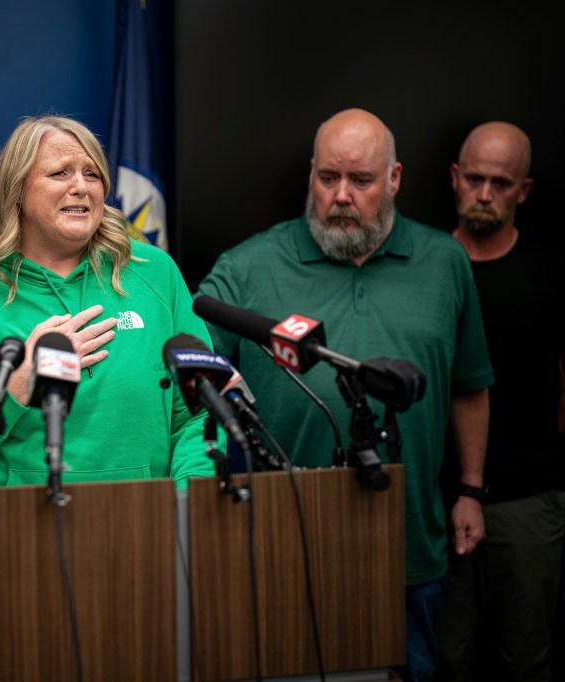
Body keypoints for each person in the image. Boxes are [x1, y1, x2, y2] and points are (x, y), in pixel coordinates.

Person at [196, 108, 493, 682]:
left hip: (409, 544)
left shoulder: (445, 262)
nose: (340, 196)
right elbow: (187, 367)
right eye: (328, 178)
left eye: (361, 181)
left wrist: (472, 490)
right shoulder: (249, 266)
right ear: (311, 174)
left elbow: (470, 387)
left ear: (396, 179)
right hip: (286, 544)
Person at [0, 115, 215, 489]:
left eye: (92, 174)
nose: (81, 186)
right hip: (19, 534)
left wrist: (186, 501)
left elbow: (202, 413)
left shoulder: (155, 273)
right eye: (60, 173)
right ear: (16, 189)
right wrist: (16, 385)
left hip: (151, 528)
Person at [434, 122, 565, 682]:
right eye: (476, 179)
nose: (485, 194)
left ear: (524, 191)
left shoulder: (548, 274)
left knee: (526, 660)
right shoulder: (428, 270)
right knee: (441, 659)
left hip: (528, 499)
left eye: (501, 183)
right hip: (437, 502)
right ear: (455, 179)